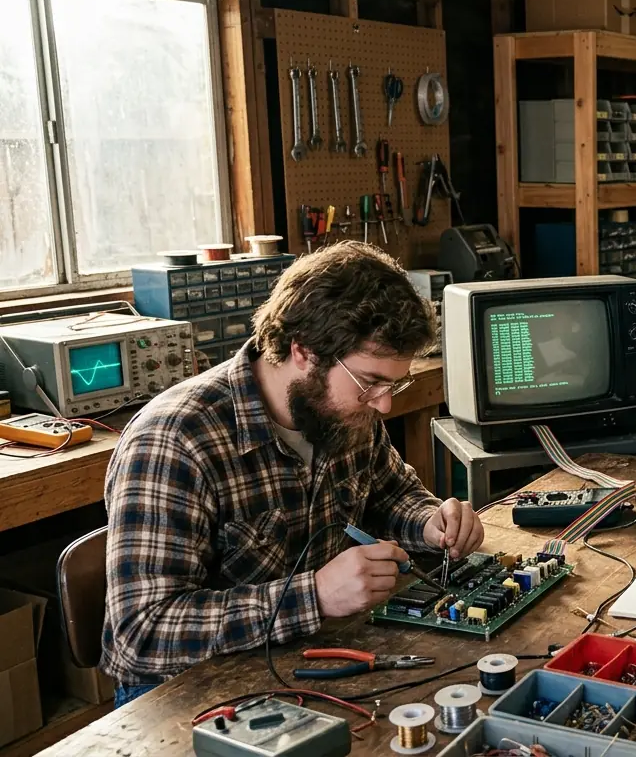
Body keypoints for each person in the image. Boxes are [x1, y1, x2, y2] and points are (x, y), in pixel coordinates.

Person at [101, 242, 485, 708]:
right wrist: (315, 596)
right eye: (370, 382)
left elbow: (388, 493)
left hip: (310, 658)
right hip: (186, 699)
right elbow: (142, 633)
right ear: (303, 352)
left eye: (394, 384)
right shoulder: (175, 440)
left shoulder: (341, 412)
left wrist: (430, 521)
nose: (384, 404)